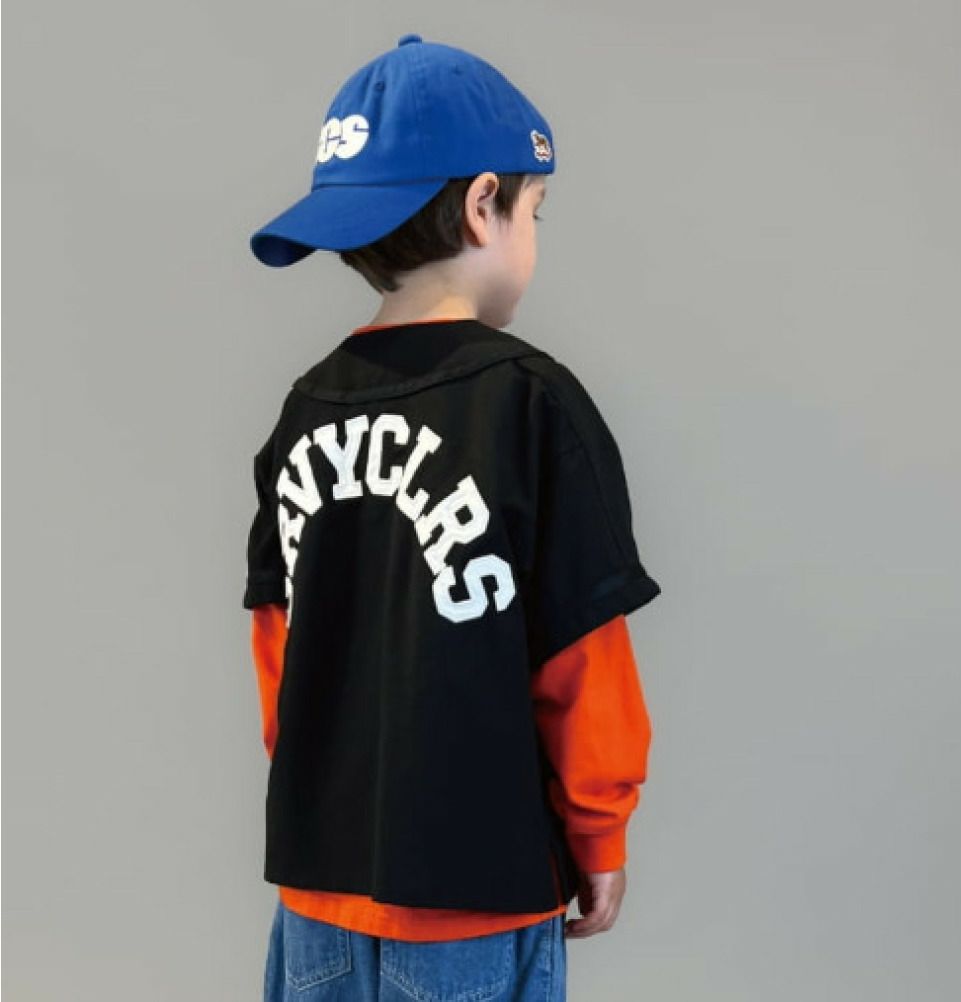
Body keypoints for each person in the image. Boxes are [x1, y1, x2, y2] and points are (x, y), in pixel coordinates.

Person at [242, 34, 661, 1002]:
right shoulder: (530, 403)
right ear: (484, 204)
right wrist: (598, 833)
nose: (532, 233)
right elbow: (583, 655)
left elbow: (278, 651)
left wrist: (329, 791)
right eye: (533, 211)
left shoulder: (305, 408)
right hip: (476, 890)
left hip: (318, 887)